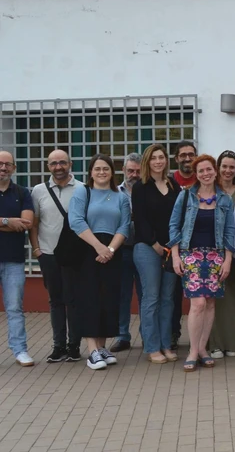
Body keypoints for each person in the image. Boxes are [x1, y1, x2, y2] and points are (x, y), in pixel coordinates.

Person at [167, 155, 235, 372]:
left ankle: (203, 349)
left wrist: (228, 260)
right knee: (197, 304)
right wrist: (176, 256)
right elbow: (174, 226)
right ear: (196, 175)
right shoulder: (186, 196)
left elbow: (230, 231)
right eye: (201, 171)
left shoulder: (225, 199)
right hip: (191, 255)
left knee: (210, 304)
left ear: (215, 171)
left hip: (216, 256)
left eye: (208, 169)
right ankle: (193, 351)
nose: (205, 174)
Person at [69, 154, 131, 370]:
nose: (102, 172)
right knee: (90, 299)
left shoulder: (121, 197)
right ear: (91, 172)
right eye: (97, 169)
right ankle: (92, 351)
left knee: (109, 299)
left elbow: (124, 226)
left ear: (112, 172)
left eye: (106, 168)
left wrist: (110, 249)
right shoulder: (82, 192)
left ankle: (102, 347)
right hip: (88, 250)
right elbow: (76, 220)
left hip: (113, 252)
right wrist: (98, 247)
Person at [29, 149, 82, 363]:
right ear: (48, 166)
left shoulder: (82, 189)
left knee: (74, 300)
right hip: (48, 253)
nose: (58, 167)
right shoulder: (38, 191)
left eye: (62, 162)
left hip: (74, 256)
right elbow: (34, 223)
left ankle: (74, 346)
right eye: (53, 163)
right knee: (55, 301)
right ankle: (58, 346)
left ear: (70, 164)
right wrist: (37, 250)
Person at [130, 144, 181, 364]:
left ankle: (166, 344)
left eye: (161, 157)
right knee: (151, 298)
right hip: (147, 248)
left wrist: (173, 245)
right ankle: (152, 347)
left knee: (168, 298)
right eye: (154, 158)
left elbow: (179, 217)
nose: (158, 161)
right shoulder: (140, 187)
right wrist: (155, 244)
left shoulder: (173, 184)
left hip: (171, 249)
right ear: (147, 162)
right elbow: (140, 220)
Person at [206, 151, 235, 359]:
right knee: (213, 297)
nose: (228, 170)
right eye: (224, 166)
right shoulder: (209, 190)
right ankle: (215, 344)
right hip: (211, 249)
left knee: (231, 296)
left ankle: (234, 342)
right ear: (218, 168)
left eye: (232, 167)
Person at [0, 150, 36, 367]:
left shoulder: (22, 193)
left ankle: (20, 350)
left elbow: (26, 223)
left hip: (14, 260)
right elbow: (15, 223)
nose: (3, 168)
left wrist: (12, 223)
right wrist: (7, 222)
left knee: (14, 308)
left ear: (14, 168)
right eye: (0, 164)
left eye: (7, 164)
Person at [111, 153, 142, 353]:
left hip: (144, 248)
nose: (134, 175)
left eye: (138, 171)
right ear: (123, 170)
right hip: (121, 250)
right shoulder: (115, 192)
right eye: (130, 170)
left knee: (146, 295)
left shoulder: (147, 190)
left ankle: (147, 335)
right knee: (122, 295)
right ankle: (122, 336)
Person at [169, 140, 197, 349]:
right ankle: (172, 334)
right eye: (183, 155)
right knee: (172, 295)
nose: (188, 158)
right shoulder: (169, 183)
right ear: (176, 158)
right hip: (176, 247)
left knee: (201, 298)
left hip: (200, 247)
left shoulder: (203, 180)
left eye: (191, 154)